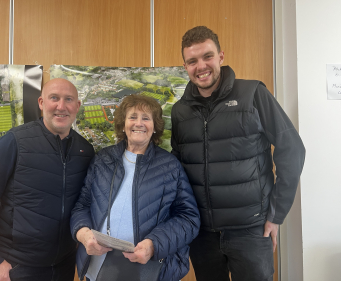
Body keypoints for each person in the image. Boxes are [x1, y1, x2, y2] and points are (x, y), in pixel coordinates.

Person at [171, 26, 306, 281]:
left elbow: (292, 149)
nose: (201, 66)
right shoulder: (180, 111)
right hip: (202, 234)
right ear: (185, 65)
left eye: (207, 56)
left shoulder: (253, 94)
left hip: (251, 231)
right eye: (192, 61)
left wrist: (276, 214)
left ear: (220, 56)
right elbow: (177, 166)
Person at [0, 78, 95, 281]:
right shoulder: (14, 142)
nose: (61, 106)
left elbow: (85, 204)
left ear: (77, 106)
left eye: (68, 99)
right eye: (54, 98)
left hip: (63, 266)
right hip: (16, 267)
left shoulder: (85, 151)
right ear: (41, 103)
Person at [70, 94, 200, 281]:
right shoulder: (103, 160)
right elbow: (82, 205)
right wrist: (83, 234)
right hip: (99, 268)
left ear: (154, 127)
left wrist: (154, 245)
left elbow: (189, 219)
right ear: (123, 124)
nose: (139, 123)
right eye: (133, 117)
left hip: (152, 269)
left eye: (146, 118)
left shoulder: (170, 166)